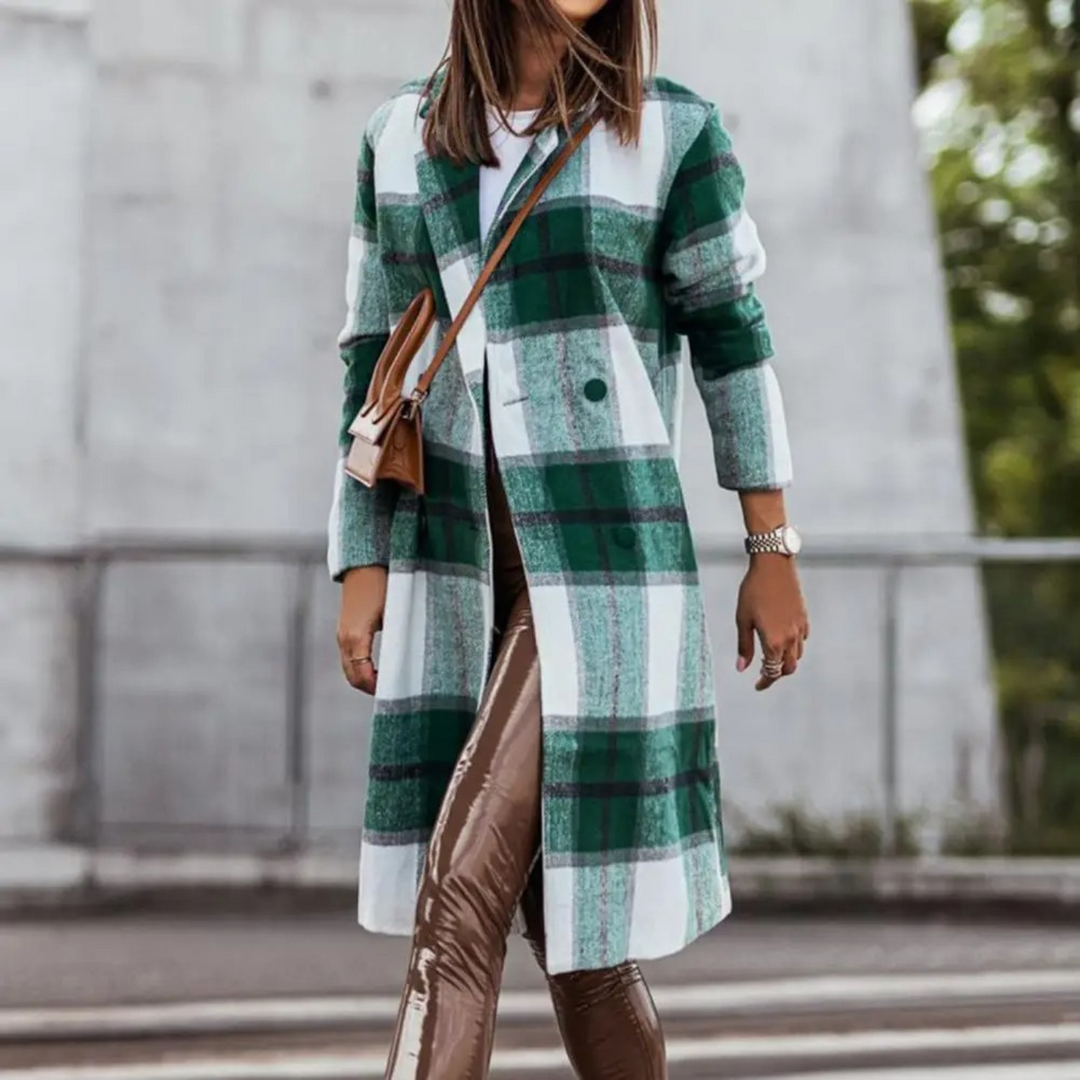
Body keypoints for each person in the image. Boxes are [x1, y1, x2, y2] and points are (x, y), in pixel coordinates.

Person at [328, 0, 810, 1076]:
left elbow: (734, 336)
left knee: (456, 899)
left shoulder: (670, 130)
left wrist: (770, 545)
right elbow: (373, 361)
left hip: (605, 563)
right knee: (576, 939)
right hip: (453, 555)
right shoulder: (399, 136)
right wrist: (361, 561)